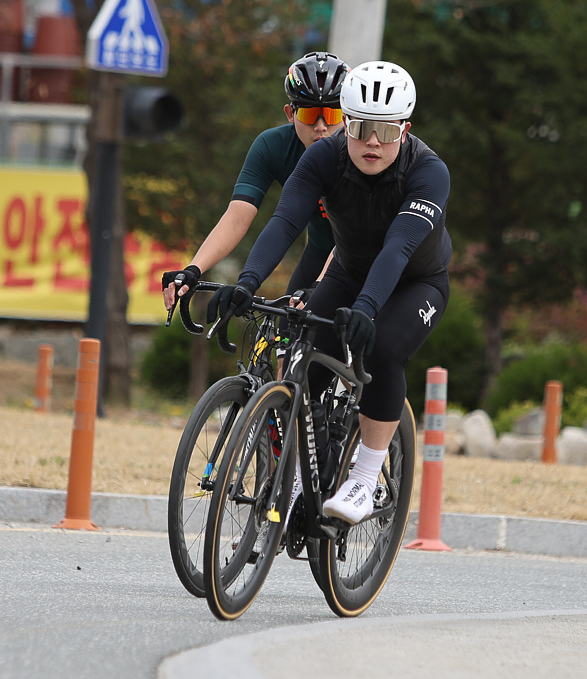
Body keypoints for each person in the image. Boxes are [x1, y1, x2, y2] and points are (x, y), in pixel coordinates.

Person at [204, 59, 451, 525]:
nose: (372, 142)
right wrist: (247, 283)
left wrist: (367, 308)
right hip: (349, 272)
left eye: (386, 131)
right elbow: (285, 222)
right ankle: (302, 475)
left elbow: (399, 247)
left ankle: (363, 480)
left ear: (405, 129)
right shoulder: (323, 156)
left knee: (382, 350)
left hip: (415, 282)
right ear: (347, 122)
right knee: (303, 354)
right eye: (360, 127)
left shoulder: (429, 171)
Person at [160, 50, 347, 314]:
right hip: (319, 252)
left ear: (348, 116)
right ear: (290, 113)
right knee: (287, 337)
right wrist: (194, 269)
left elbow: (357, 235)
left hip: (367, 256)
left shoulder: (360, 154)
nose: (320, 126)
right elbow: (238, 216)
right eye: (308, 115)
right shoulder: (273, 146)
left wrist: (321, 284)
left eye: (331, 114)